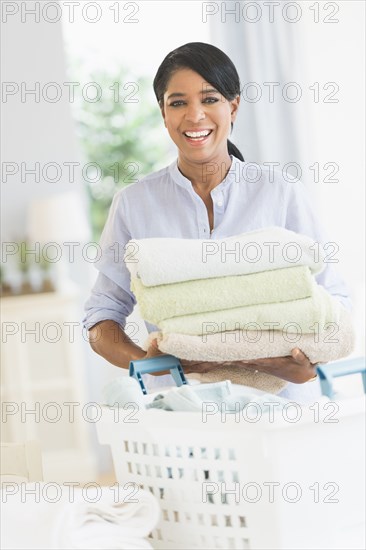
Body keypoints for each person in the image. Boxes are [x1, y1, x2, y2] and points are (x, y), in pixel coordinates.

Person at [83, 42, 351, 402]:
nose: (194, 116)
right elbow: (101, 317)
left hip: (284, 412)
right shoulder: (134, 204)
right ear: (163, 113)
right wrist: (151, 363)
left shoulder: (279, 191)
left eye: (209, 99)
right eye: (178, 102)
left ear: (233, 107)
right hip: (186, 415)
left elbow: (334, 299)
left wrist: (292, 360)